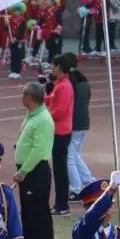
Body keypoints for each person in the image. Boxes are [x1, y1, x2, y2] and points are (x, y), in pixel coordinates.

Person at [14, 81, 55, 239]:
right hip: (28, 171)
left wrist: (23, 171)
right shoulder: (31, 115)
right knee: (28, 214)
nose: (21, 99)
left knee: (39, 215)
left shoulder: (43, 120)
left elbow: (39, 150)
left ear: (29, 98)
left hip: (35, 171)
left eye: (23, 95)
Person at [46, 54, 75, 215]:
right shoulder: (61, 84)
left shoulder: (64, 86)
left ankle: (62, 205)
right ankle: (60, 204)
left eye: (54, 66)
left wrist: (44, 115)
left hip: (61, 132)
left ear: (59, 68)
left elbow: (60, 111)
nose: (52, 69)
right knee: (59, 168)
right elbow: (52, 100)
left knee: (60, 170)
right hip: (60, 131)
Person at [66, 61, 93, 199]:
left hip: (75, 124)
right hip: (84, 123)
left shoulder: (71, 85)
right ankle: (89, 180)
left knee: (69, 156)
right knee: (75, 154)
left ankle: (75, 189)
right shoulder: (85, 83)